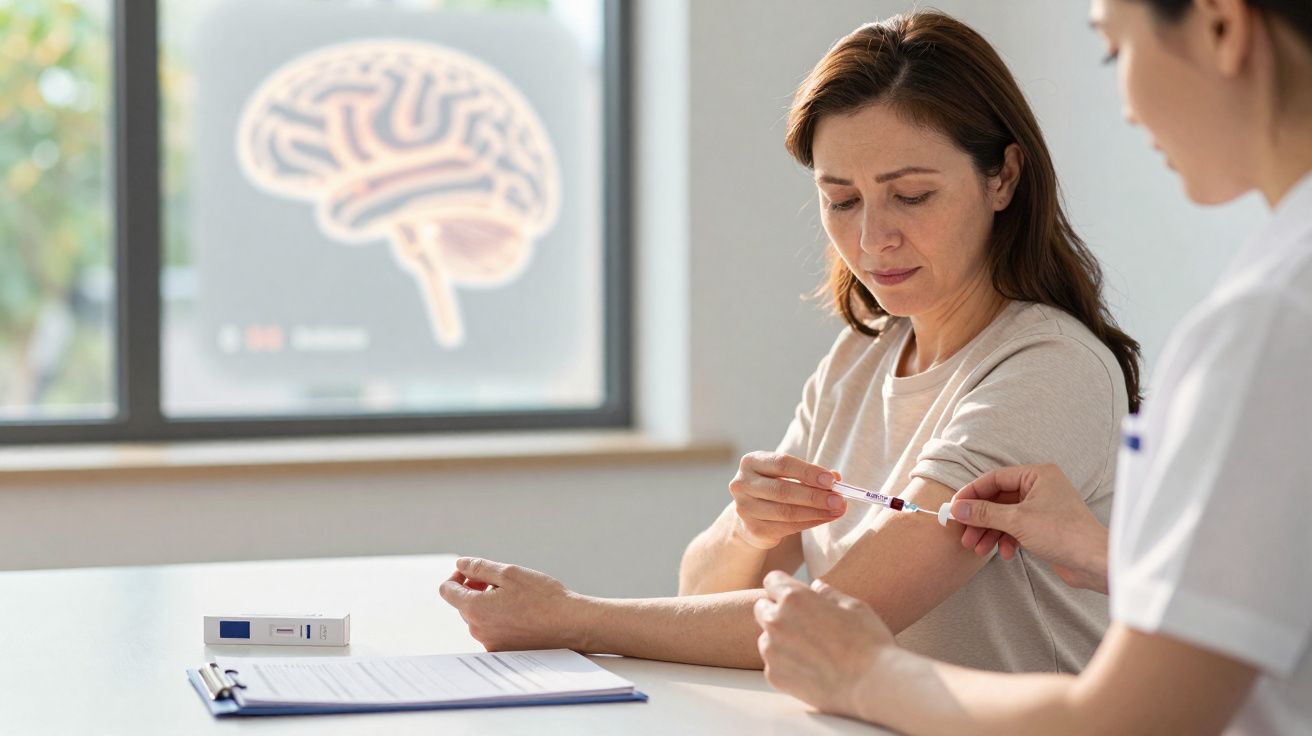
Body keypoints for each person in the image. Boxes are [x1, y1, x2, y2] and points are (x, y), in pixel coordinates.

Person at [439, 11, 1143, 672]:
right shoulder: (860, 358)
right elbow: (700, 590)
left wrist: (573, 619)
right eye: (841, 200)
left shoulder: (1051, 368)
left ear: (1004, 178)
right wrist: (750, 528)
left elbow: (838, 615)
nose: (871, 238)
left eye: (912, 195)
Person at [753, 0, 1312, 732]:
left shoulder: (1272, 322)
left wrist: (865, 671)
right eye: (842, 199)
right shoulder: (862, 350)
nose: (1127, 108)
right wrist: (1117, 557)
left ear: (1220, 26)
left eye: (1116, 52)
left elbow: (1130, 718)